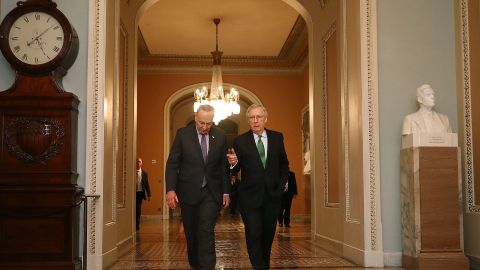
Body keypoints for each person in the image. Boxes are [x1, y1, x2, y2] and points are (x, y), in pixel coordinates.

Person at [165, 104, 230, 270]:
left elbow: (223, 166)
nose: (205, 127)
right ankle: (196, 265)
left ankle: (208, 267)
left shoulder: (220, 136)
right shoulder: (183, 134)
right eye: (202, 123)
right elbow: (172, 164)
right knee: (191, 232)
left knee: (206, 230)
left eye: (209, 123)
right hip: (188, 192)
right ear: (196, 117)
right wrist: (171, 189)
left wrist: (226, 192)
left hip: (211, 191)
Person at [227, 104, 290, 270]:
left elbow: (284, 166)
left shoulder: (277, 137)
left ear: (265, 119)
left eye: (259, 117)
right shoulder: (240, 141)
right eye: (252, 118)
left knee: (267, 237)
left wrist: (281, 186)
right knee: (254, 234)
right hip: (249, 198)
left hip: (272, 197)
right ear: (248, 121)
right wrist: (232, 164)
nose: (255, 121)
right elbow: (235, 169)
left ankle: (264, 266)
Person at [135, 158, 151, 230]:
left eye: (139, 162)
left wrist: (149, 195)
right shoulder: (132, 172)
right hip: (133, 193)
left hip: (140, 193)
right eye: (137, 162)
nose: (138, 163)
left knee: (138, 209)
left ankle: (137, 225)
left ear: (141, 163)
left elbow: (147, 184)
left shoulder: (144, 173)